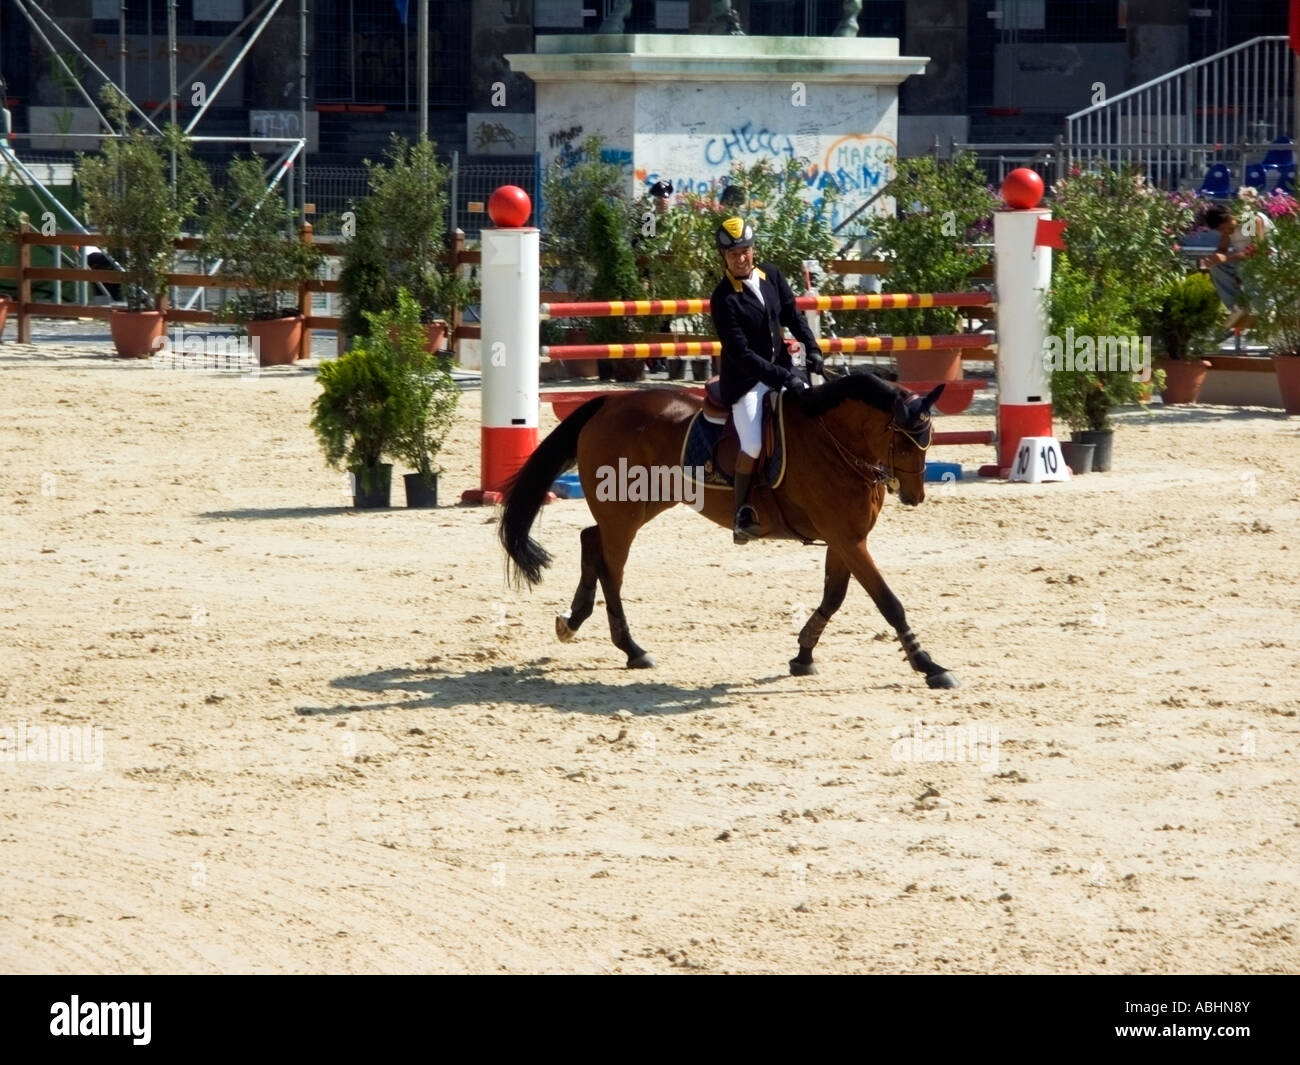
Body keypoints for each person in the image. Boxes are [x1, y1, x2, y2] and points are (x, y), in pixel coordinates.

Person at [709, 216, 824, 544]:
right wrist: (785, 377)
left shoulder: (771, 275)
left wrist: (812, 348)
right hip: (746, 381)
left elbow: (793, 315)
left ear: (753, 250)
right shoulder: (723, 299)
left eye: (744, 251)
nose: (740, 258)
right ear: (724, 258)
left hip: (782, 370)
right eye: (732, 254)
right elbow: (742, 354)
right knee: (754, 443)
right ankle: (741, 514)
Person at [1198, 203, 1273, 330]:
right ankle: (1236, 307)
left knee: (1246, 267)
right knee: (1217, 267)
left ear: (1230, 218)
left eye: (1224, 228)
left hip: (1267, 258)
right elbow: (1222, 249)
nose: (1225, 232)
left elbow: (1256, 251)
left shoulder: (1248, 220)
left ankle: (1262, 309)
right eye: (1221, 231)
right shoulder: (1228, 229)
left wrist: (1227, 257)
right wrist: (1213, 259)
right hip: (1245, 259)